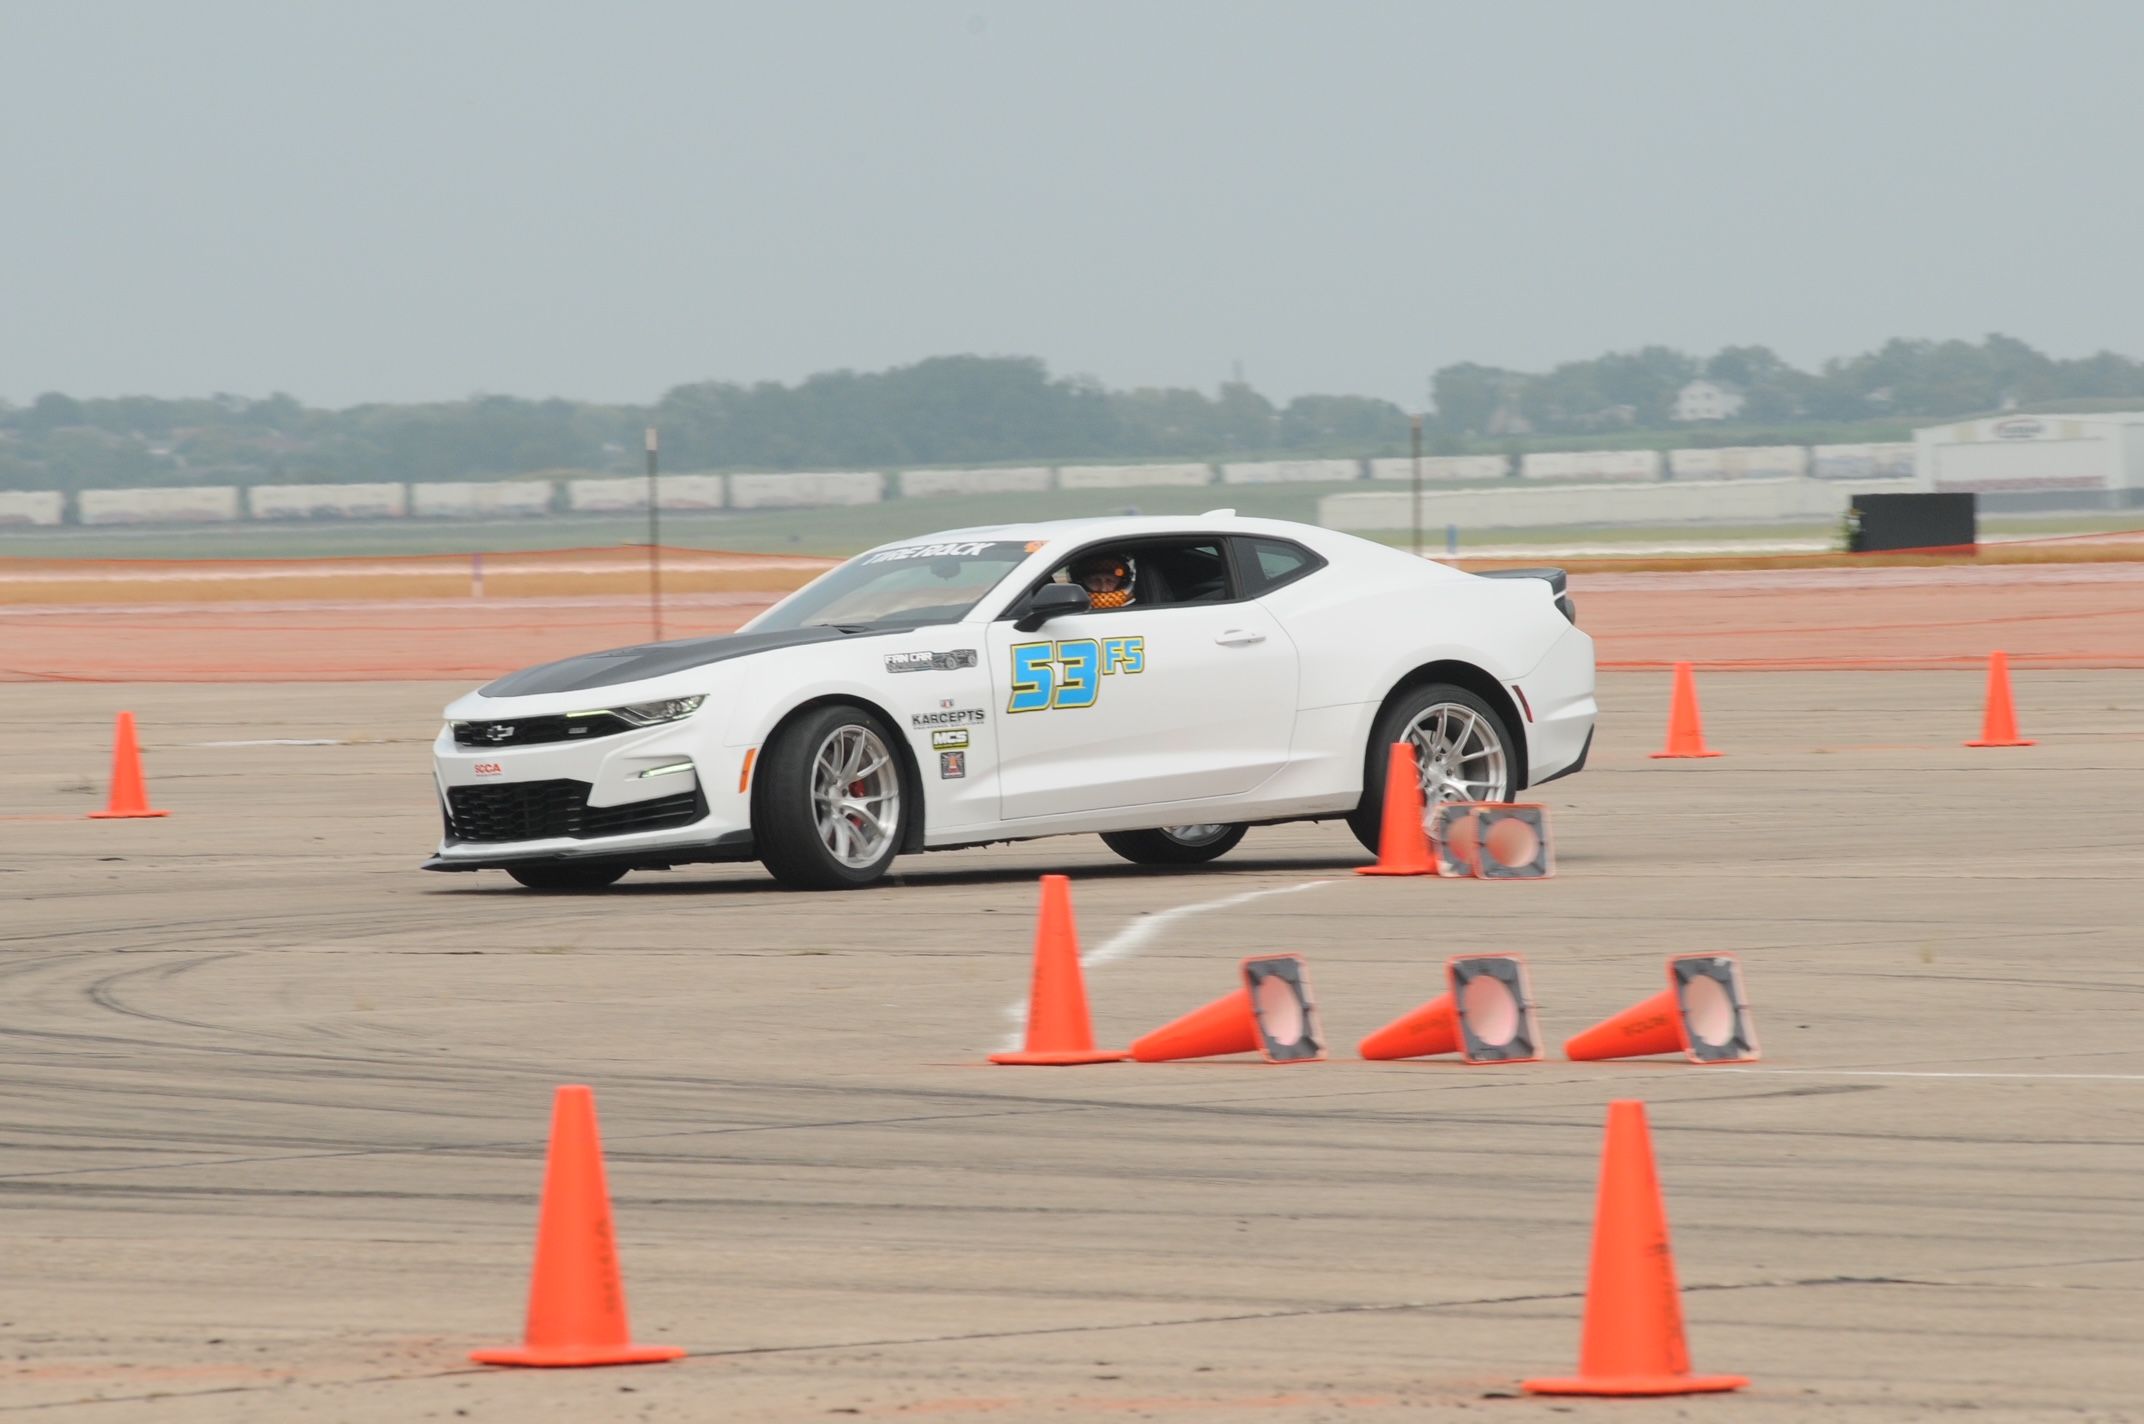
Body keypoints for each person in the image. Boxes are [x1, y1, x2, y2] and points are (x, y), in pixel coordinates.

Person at [1069, 551, 1135, 609]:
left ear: (1122, 583)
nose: (1103, 589)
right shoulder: (1073, 610)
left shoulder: (1134, 609)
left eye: (1110, 581)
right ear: (1082, 583)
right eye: (1095, 581)